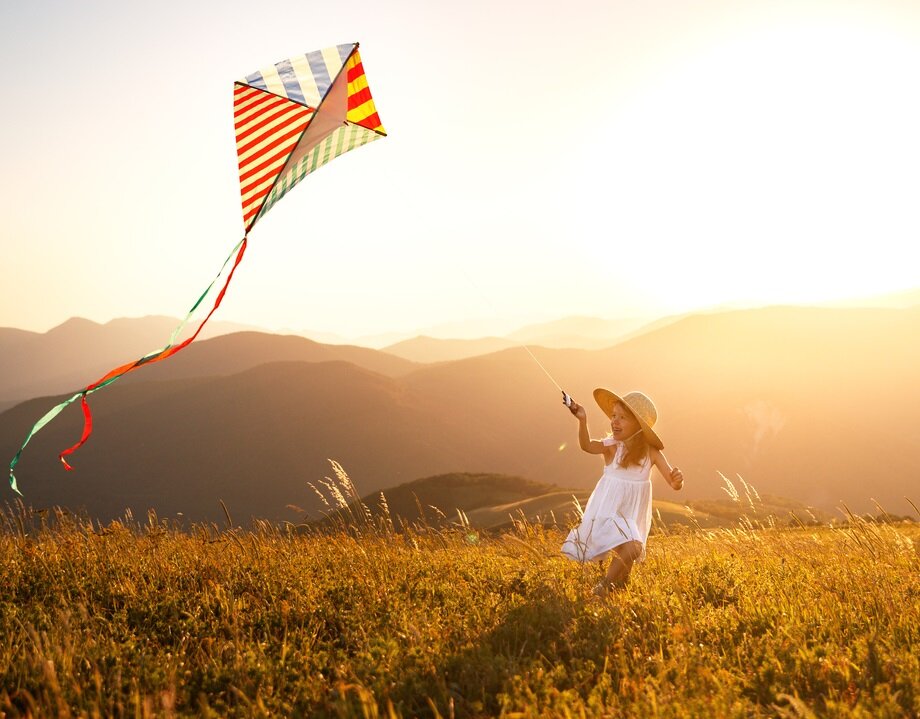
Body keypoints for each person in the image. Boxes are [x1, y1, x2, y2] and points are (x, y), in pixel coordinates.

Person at [561, 388, 684, 596]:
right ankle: (603, 586)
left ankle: (613, 590)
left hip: (631, 515)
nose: (614, 422)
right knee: (634, 547)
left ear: (638, 425)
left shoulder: (651, 453)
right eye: (614, 416)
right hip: (609, 512)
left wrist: (677, 480)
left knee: (625, 575)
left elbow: (673, 483)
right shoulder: (612, 447)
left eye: (622, 418)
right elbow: (587, 446)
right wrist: (582, 419)